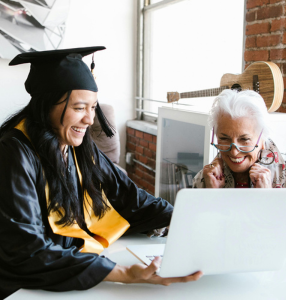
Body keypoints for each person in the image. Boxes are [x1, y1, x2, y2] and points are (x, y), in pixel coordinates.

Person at [0, 47, 202, 299]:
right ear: (46, 104)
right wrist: (124, 274)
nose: (89, 119)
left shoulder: (78, 146)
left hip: (75, 267)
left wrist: (185, 220)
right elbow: (25, 250)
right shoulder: (13, 153)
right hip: (25, 287)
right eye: (79, 107)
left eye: (93, 107)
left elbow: (128, 196)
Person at [192, 89, 286, 254]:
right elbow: (195, 244)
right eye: (224, 138)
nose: (234, 152)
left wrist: (268, 201)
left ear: (262, 139)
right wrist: (212, 198)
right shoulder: (205, 178)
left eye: (244, 140)